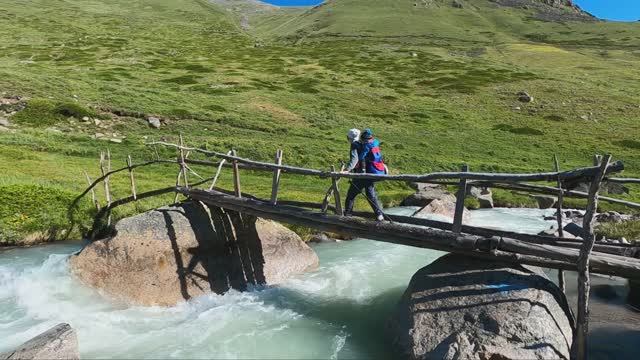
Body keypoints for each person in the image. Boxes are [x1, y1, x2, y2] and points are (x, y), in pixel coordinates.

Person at [342, 128, 386, 221]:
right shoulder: (369, 143)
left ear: (349, 137)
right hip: (370, 172)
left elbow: (355, 159)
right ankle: (379, 215)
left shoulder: (355, 145)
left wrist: (347, 169)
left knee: (351, 195)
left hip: (361, 174)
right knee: (370, 194)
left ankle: (347, 216)